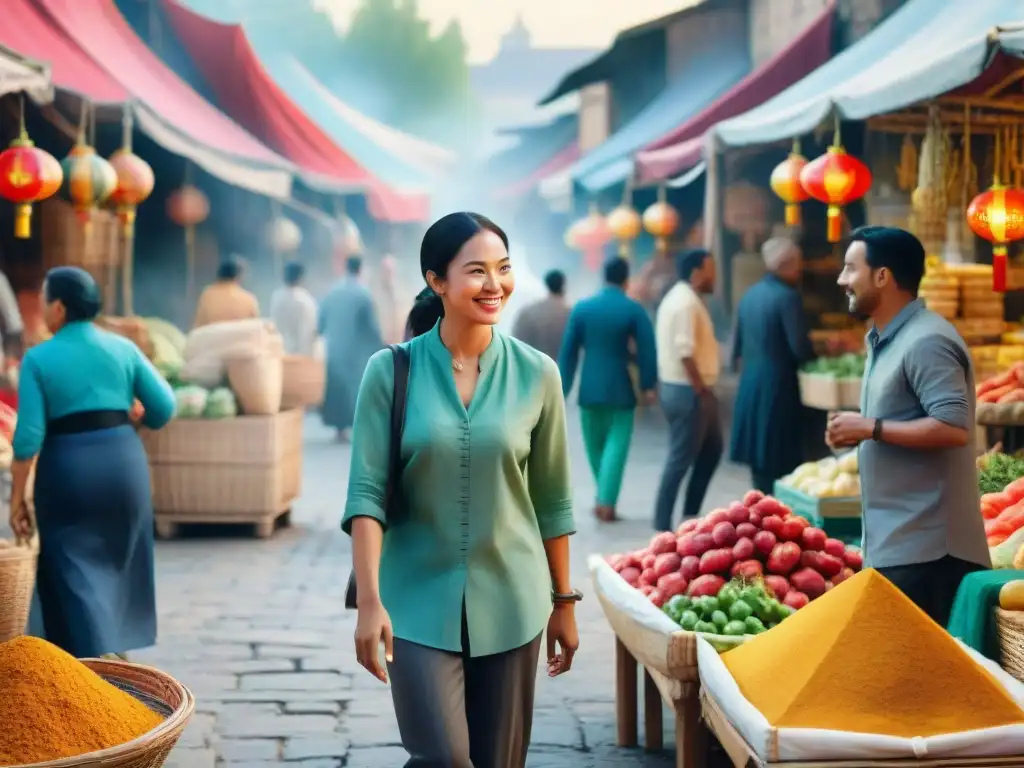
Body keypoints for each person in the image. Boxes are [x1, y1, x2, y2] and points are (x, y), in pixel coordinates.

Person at [344, 212, 579, 768]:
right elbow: (366, 496)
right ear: (437, 281)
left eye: (503, 268)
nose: (494, 284)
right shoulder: (389, 372)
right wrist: (370, 603)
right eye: (476, 271)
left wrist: (564, 603)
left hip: (515, 599)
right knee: (444, 757)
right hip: (415, 601)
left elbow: (552, 498)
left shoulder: (538, 374)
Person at [9, 267, 176, 658]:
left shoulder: (39, 359)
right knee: (118, 560)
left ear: (60, 308)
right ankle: (115, 656)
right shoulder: (122, 348)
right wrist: (136, 418)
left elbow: (29, 437)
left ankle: (93, 665)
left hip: (68, 471)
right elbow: (164, 407)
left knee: (71, 569)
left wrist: (18, 497)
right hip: (123, 464)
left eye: (48, 302)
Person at [826, 226, 988, 625]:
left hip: (930, 554)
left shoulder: (926, 341)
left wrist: (871, 428)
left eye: (851, 269)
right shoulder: (884, 338)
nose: (841, 280)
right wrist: (862, 430)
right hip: (899, 546)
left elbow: (954, 427)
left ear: (882, 276)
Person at [559, 257, 656, 522]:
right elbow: (648, 348)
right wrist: (648, 384)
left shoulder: (582, 308)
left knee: (595, 446)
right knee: (617, 446)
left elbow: (568, 353)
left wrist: (562, 388)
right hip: (620, 389)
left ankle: (603, 497)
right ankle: (606, 502)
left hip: (589, 389)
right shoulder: (633, 309)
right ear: (627, 280)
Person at [730, 237, 814, 493]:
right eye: (798, 264)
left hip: (751, 384)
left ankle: (762, 515)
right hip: (778, 387)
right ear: (788, 265)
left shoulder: (750, 295)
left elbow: (737, 347)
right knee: (782, 462)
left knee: (760, 463)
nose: (800, 270)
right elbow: (799, 348)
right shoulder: (788, 298)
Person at [653, 249, 722, 532]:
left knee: (711, 451)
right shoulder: (684, 303)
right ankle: (663, 524)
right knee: (681, 458)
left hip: (687, 389)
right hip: (687, 390)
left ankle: (689, 518)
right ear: (696, 272)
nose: (714, 276)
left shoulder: (686, 299)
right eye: (710, 270)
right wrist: (700, 390)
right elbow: (685, 351)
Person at [320, 255, 384, 442]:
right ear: (360, 269)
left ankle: (340, 431)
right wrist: (381, 345)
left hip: (334, 349)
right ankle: (359, 429)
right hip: (356, 353)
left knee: (337, 389)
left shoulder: (332, 291)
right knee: (357, 389)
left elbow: (321, 321)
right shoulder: (363, 294)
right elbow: (371, 327)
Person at [512, 269, 570, 361]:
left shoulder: (529, 312)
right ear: (563, 285)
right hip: (560, 371)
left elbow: (516, 344)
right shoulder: (570, 314)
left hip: (533, 368)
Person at [193, 256, 260, 328]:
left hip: (213, 338)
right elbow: (256, 330)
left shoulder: (207, 295)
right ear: (239, 276)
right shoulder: (249, 299)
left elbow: (198, 326)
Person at [270, 260, 318, 356]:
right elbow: (308, 333)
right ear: (301, 278)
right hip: (299, 356)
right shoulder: (305, 301)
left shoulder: (276, 297)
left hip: (279, 354)